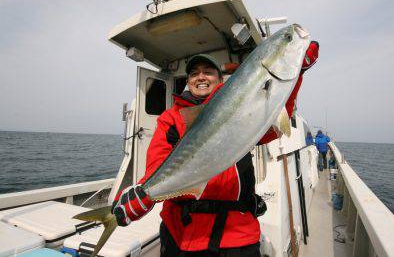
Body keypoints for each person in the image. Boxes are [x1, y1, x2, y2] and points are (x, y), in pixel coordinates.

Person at [112, 41, 320, 256]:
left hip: (236, 235)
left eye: (208, 72)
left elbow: (273, 122)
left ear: (221, 80)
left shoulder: (242, 108)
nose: (200, 77)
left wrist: (297, 72)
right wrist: (143, 194)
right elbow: (157, 165)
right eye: (194, 74)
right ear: (188, 81)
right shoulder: (171, 118)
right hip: (180, 235)